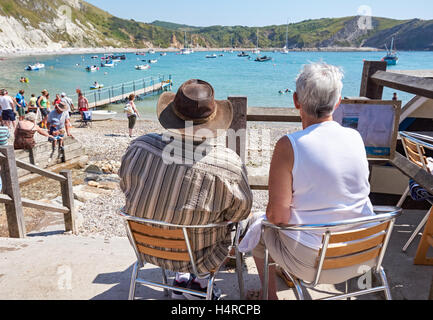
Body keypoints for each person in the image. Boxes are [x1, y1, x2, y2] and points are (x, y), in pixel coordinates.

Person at [240, 63, 376, 300]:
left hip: (313, 263)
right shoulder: (355, 137)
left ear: (296, 101)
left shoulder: (289, 145)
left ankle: (269, 297)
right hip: (363, 252)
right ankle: (285, 268)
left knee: (259, 230)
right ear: (338, 102)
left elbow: (277, 217)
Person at [118, 79, 253, 300]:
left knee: (174, 210)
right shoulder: (227, 164)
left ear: (172, 114)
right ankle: (200, 283)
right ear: (212, 122)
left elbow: (126, 187)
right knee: (225, 222)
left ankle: (180, 279)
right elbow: (241, 211)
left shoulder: (139, 147)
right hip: (198, 254)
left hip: (146, 246)